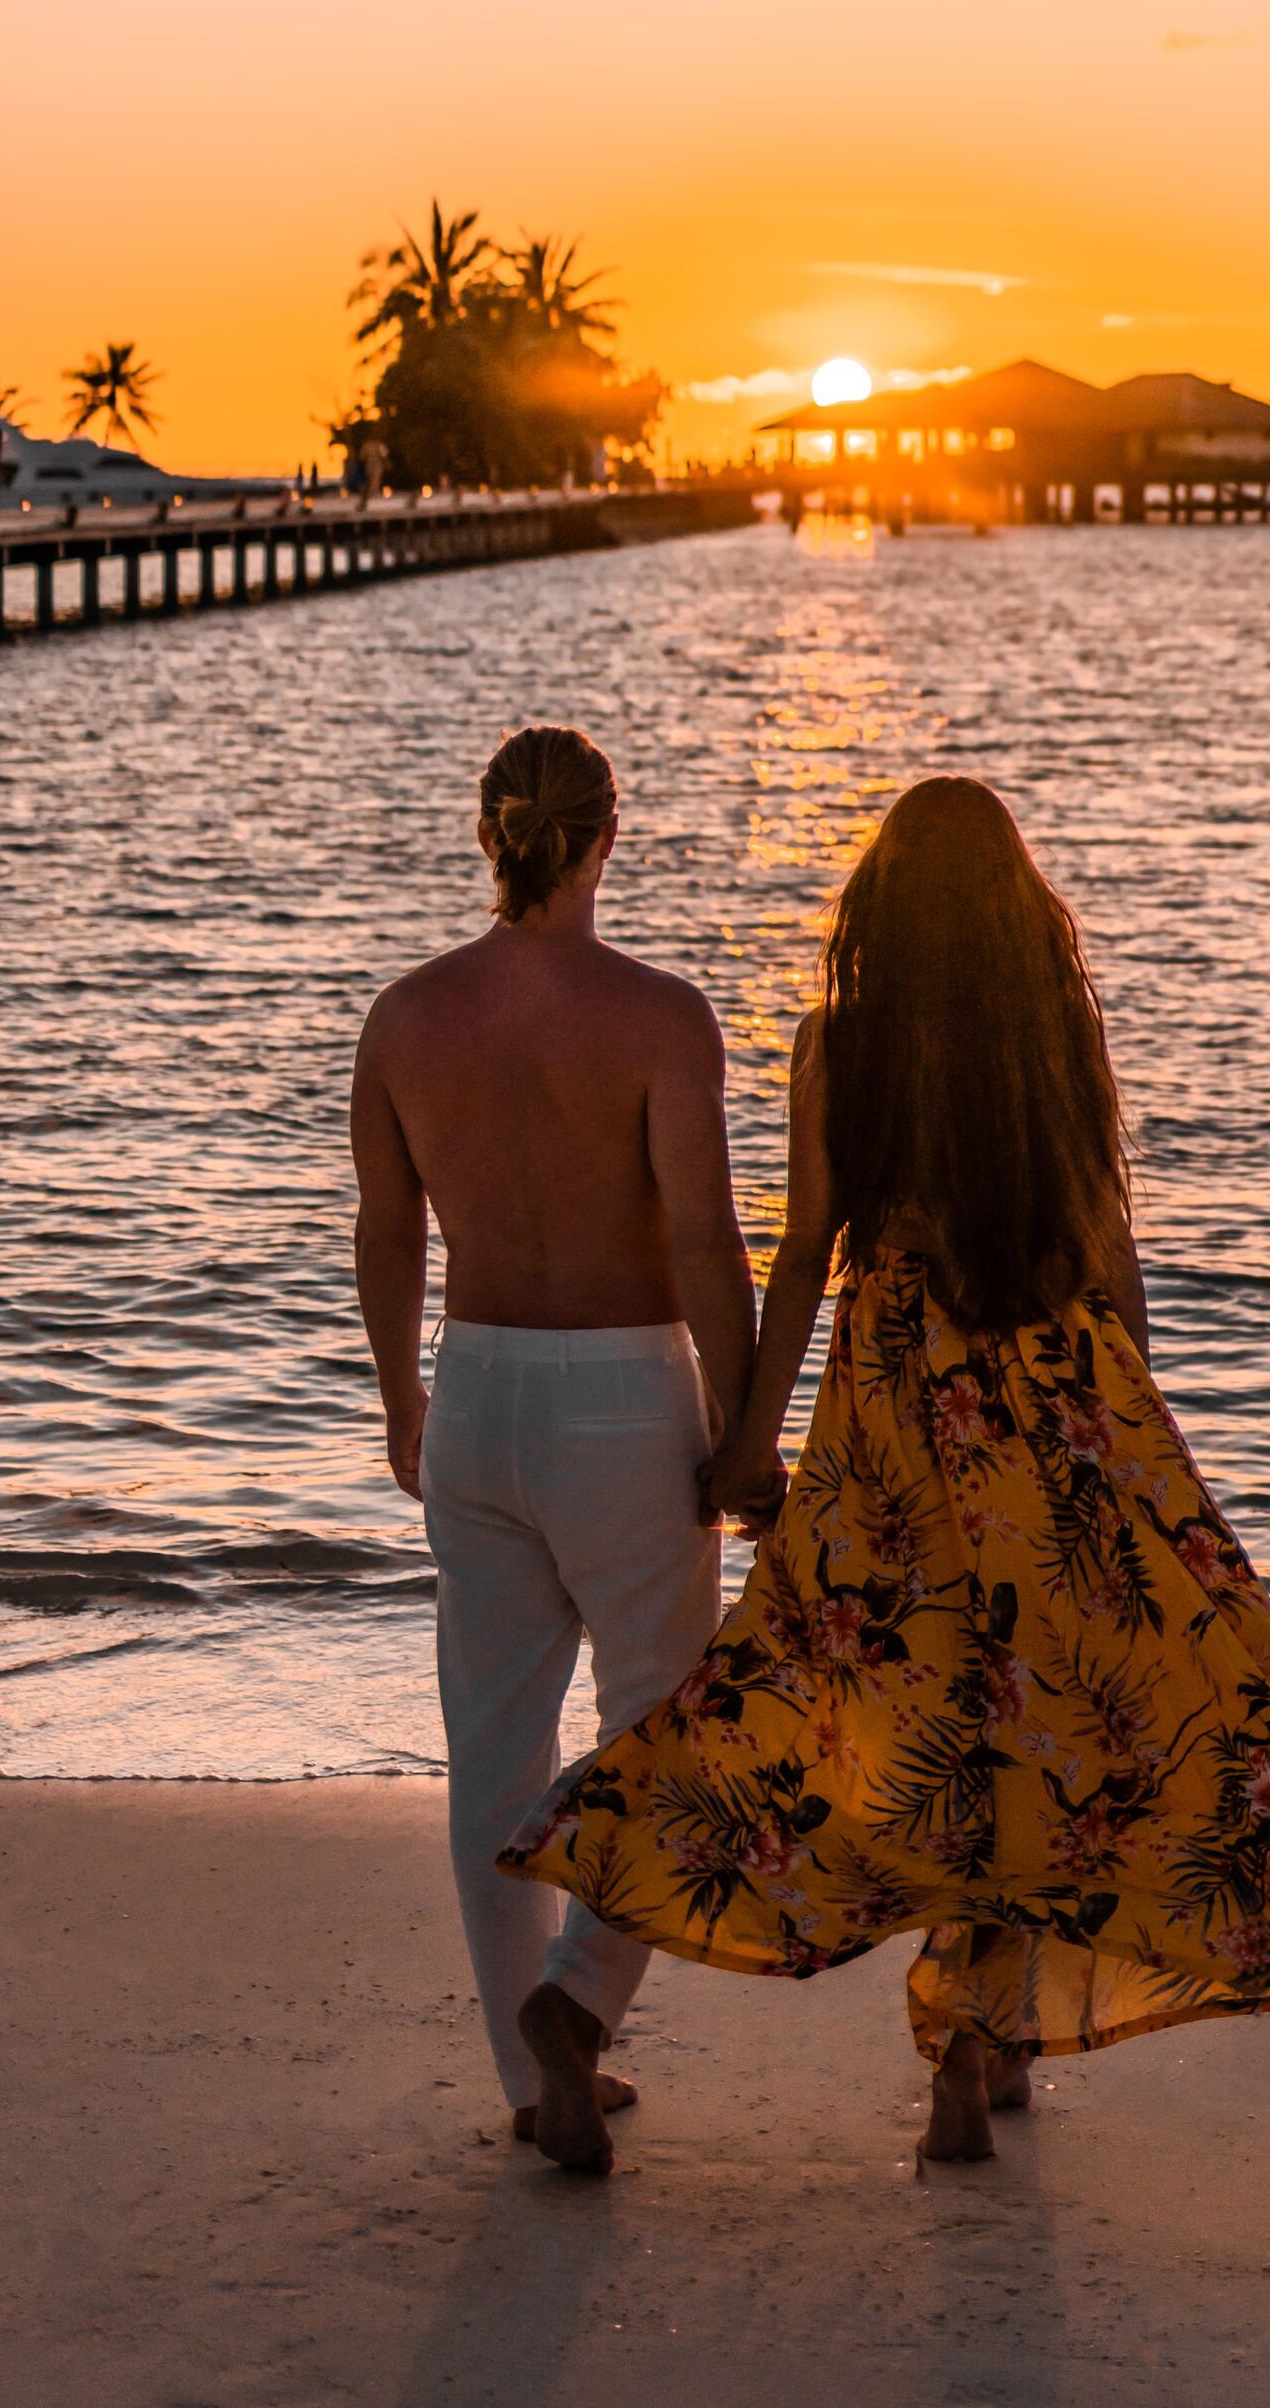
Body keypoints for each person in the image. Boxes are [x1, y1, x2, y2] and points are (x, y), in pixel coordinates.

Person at [502, 773, 1270, 2168]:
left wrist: (752, 1444)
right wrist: (1142, 1438)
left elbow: (806, 1255)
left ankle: (579, 1999)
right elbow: (1111, 1254)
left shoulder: (836, 1044)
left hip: (893, 1417)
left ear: (883, 910)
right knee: (1042, 1715)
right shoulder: (1053, 1039)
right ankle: (975, 2046)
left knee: (800, 1685)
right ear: (1014, 920)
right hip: (1057, 1411)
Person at [349, 727, 758, 2167]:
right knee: (668, 1730)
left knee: (494, 1751)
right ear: (606, 836)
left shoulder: (405, 1018)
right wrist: (745, 1421)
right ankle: (578, 2002)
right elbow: (705, 1244)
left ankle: (529, 2080)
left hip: (476, 1393)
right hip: (621, 1400)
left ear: (489, 836)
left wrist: (403, 1398)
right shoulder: (659, 1016)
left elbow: (387, 1234)